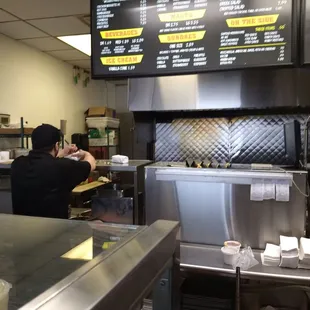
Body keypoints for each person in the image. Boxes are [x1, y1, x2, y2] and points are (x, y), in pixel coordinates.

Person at [11, 124, 96, 219]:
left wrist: (62, 152)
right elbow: (91, 164)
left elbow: (43, 158)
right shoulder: (61, 166)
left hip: (21, 227)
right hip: (53, 229)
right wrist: (85, 153)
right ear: (56, 145)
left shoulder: (17, 164)